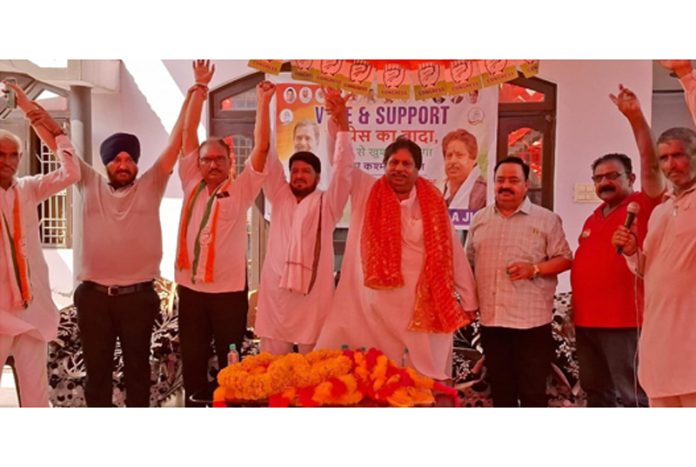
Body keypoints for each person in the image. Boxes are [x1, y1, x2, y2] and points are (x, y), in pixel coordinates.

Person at [68, 62, 203, 407]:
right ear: (106, 164)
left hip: (138, 298)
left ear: (138, 164)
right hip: (93, 297)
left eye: (129, 159)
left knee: (138, 371)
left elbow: (175, 143)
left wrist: (194, 93)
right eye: (116, 159)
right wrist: (27, 107)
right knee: (96, 374)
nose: (124, 164)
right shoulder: (89, 182)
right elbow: (56, 141)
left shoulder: (152, 184)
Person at [315, 135, 478, 381]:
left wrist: (469, 300)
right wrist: (339, 121)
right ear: (385, 165)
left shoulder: (433, 203)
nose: (399, 169)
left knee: (418, 380)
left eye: (406, 164)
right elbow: (342, 161)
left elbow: (452, 252)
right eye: (393, 162)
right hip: (372, 309)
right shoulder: (367, 189)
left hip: (419, 308)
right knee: (373, 377)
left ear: (417, 169)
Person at [175, 68, 275, 406]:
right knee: (192, 355)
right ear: (198, 164)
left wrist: (263, 102)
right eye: (207, 159)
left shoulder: (242, 189)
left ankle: (227, 405)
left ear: (231, 161)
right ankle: (193, 404)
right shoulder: (191, 182)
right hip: (190, 291)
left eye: (219, 158)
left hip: (229, 295)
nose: (212, 164)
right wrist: (200, 88)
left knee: (230, 356)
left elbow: (261, 147)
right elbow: (189, 131)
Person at [570, 85, 664, 407]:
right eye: (598, 178)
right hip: (587, 324)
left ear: (632, 178)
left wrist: (636, 119)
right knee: (597, 396)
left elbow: (653, 164)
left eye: (612, 175)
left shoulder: (644, 203)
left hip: (625, 324)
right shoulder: (593, 218)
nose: (604, 182)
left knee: (632, 397)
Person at [611, 60, 696, 407]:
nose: (670, 165)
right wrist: (632, 251)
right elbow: (647, 269)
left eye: (679, 156)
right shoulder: (661, 211)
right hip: (659, 348)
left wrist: (687, 77)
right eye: (665, 158)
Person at [466, 156, 572, 407]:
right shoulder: (480, 219)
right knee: (501, 391)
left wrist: (534, 268)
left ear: (526, 184)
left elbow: (566, 259)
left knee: (532, 393)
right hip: (492, 322)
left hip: (532, 325)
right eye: (500, 180)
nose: (506, 185)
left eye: (514, 180)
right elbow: (468, 263)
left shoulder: (546, 219)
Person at [255, 89, 354, 355]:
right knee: (272, 374)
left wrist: (342, 122)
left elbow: (344, 169)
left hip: (313, 298)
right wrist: (264, 104)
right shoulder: (279, 195)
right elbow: (266, 153)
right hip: (277, 296)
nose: (298, 176)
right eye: (294, 170)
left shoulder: (327, 203)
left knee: (314, 374)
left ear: (317, 176)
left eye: (305, 171)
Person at [0, 80, 81, 406]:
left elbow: (71, 172)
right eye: (0, 154)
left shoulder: (29, 189)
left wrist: (36, 117)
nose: (6, 161)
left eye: (12, 155)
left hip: (31, 309)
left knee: (35, 395)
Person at [440, 128, 487, 212]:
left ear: (473, 159)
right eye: (449, 155)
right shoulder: (440, 191)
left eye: (459, 155)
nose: (453, 161)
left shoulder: (484, 192)